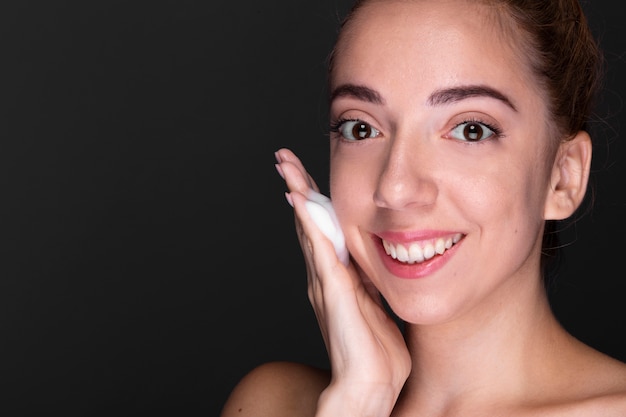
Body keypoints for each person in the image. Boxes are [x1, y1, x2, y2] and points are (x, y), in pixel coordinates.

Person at [221, 0, 626, 415]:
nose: (395, 188)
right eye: (360, 128)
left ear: (563, 176)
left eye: (471, 130)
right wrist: (359, 400)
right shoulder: (274, 404)